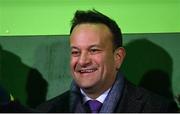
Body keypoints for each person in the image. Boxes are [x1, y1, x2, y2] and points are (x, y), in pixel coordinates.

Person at [37, 9, 178, 112]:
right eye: (76, 52)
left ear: (118, 57)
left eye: (94, 50)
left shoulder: (158, 109)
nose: (82, 61)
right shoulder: (46, 111)